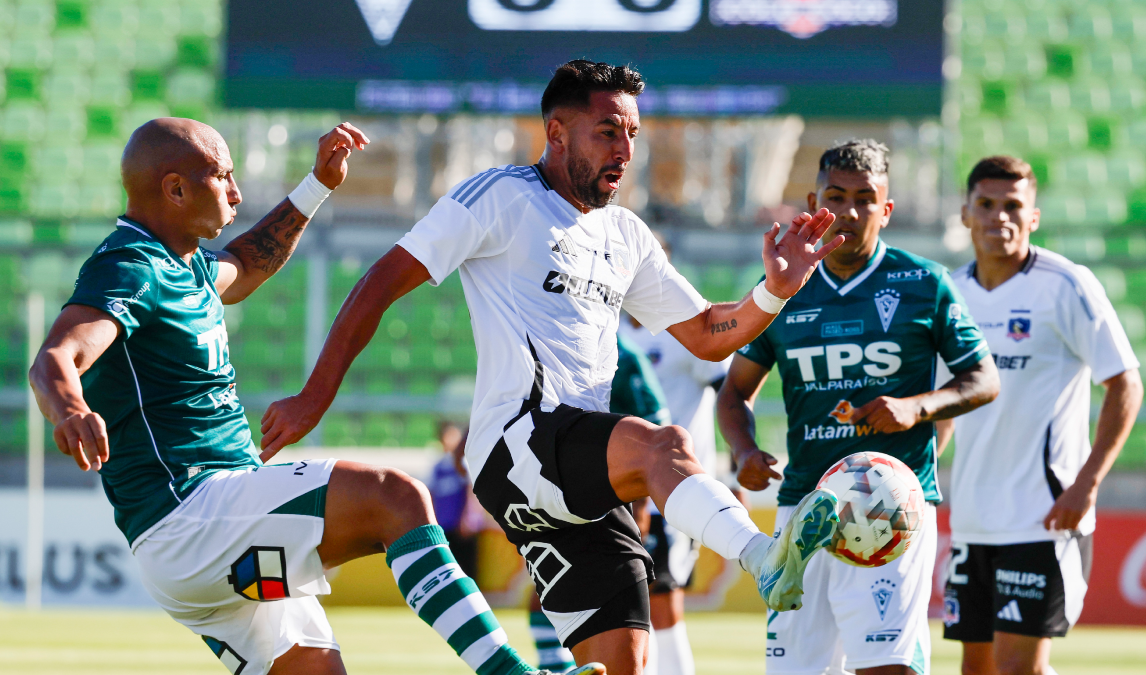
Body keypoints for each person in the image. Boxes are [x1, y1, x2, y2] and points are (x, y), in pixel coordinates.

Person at [258, 59, 847, 675]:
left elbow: (707, 335)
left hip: (578, 475)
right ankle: (763, 558)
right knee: (662, 445)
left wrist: (774, 292)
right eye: (608, 131)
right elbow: (381, 282)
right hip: (518, 444)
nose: (624, 149)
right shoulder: (500, 196)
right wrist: (313, 396)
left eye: (633, 135)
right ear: (557, 133)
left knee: (625, 665)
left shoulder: (627, 234)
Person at [28, 117, 599, 675]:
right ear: (175, 188)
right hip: (193, 516)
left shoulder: (186, 267)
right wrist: (71, 407)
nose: (236, 189)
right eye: (221, 175)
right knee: (392, 498)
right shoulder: (129, 267)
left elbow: (250, 261)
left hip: (210, 549)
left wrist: (317, 184)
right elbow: (57, 356)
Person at [717, 139, 1000, 675]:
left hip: (891, 509)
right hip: (804, 508)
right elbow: (734, 393)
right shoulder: (782, 287)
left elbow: (982, 379)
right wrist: (744, 450)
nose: (848, 211)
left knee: (886, 667)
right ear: (813, 199)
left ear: (886, 209)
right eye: (836, 195)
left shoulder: (924, 283)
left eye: (865, 198)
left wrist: (917, 407)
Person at [936, 156, 1143, 675]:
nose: (997, 217)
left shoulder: (1065, 285)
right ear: (965, 213)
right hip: (973, 520)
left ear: (1033, 217)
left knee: (1016, 668)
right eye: (985, 205)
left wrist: (1087, 484)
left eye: (1012, 206)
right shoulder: (950, 294)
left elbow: (1125, 383)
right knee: (978, 671)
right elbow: (945, 403)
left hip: (1044, 516)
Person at [619, 248, 733, 675]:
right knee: (626, 603)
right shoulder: (607, 330)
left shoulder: (685, 332)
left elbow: (734, 393)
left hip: (675, 491)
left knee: (662, 599)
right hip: (620, 487)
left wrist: (735, 467)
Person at [530, 334, 672, 674]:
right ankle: (552, 663)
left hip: (611, 493)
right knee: (543, 582)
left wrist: (638, 506)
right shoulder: (539, 339)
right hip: (548, 483)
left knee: (638, 588)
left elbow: (655, 425)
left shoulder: (624, 354)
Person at [428, 421, 480, 578]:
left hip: (462, 526)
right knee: (447, 568)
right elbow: (431, 494)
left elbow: (471, 491)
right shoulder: (438, 467)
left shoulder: (463, 464)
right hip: (444, 525)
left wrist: (468, 518)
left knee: (466, 567)